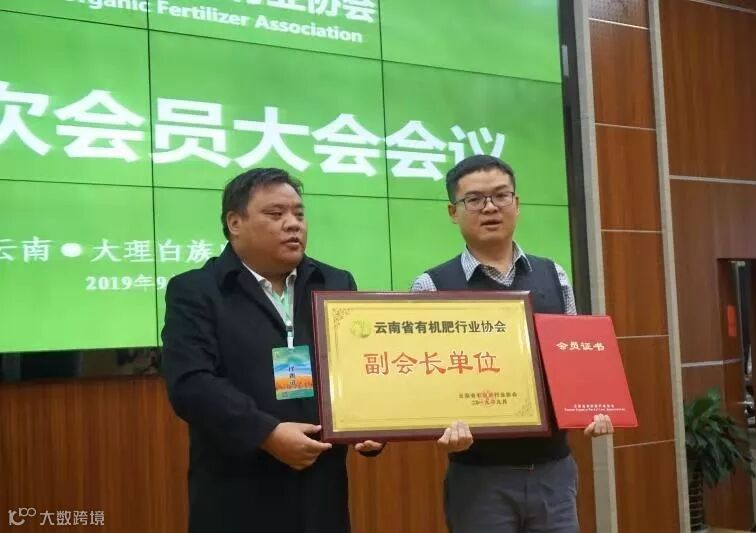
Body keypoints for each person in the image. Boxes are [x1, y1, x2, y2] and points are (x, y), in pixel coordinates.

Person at [162, 168, 383, 533]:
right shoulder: (197, 291)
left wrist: (367, 424)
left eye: (299, 213)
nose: (293, 224)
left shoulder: (335, 282)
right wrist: (266, 433)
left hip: (320, 488)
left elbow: (356, 367)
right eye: (276, 213)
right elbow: (191, 383)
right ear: (235, 222)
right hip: (237, 487)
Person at [411, 155, 613, 533]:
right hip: (479, 476)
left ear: (516, 204)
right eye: (475, 199)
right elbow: (425, 379)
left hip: (554, 472)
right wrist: (440, 423)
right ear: (453, 212)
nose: (490, 207)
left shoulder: (554, 273)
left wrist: (593, 405)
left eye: (501, 195)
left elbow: (573, 361)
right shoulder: (431, 285)